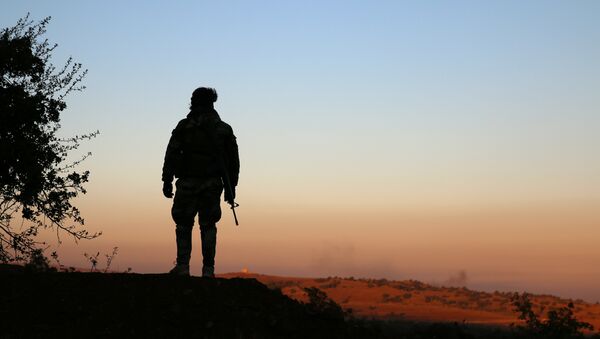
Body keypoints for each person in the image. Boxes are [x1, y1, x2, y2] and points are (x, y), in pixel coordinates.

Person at [161, 87, 239, 277]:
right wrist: (231, 189)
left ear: (193, 102)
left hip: (188, 183)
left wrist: (167, 180)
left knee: (183, 225)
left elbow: (171, 154)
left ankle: (182, 266)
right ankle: (208, 270)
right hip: (212, 185)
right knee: (208, 226)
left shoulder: (184, 126)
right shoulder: (223, 129)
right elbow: (233, 163)